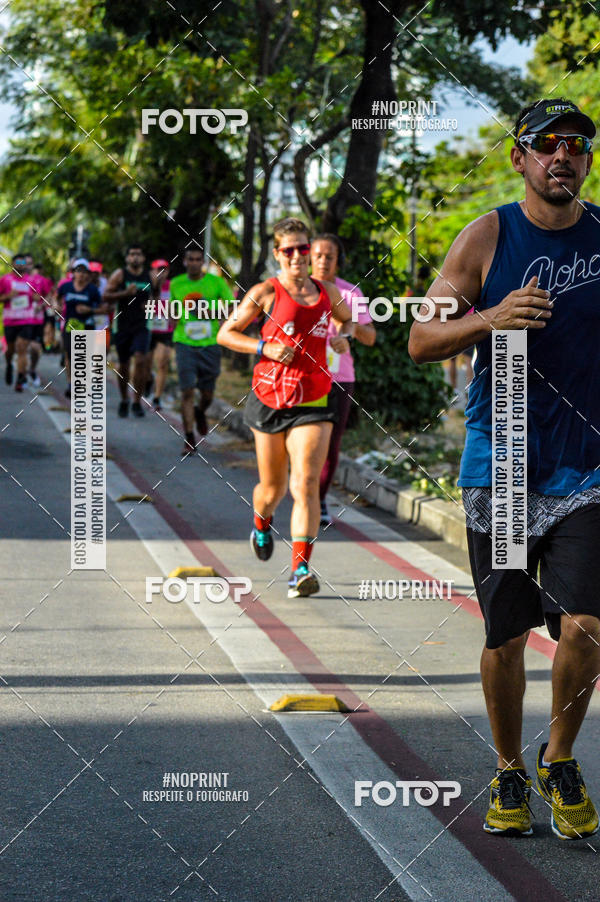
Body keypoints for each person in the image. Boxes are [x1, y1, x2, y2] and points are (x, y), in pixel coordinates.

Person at [408, 97, 600, 841]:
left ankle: (559, 757)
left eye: (577, 145)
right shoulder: (487, 236)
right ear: (518, 156)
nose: (563, 156)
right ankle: (510, 767)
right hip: (505, 464)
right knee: (507, 636)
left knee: (585, 627)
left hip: (587, 469)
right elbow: (423, 339)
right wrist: (487, 318)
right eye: (546, 144)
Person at [217, 217, 354, 598]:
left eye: (303, 248)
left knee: (305, 483)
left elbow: (348, 322)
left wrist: (344, 338)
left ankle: (300, 570)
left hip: (314, 398)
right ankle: (261, 523)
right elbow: (225, 333)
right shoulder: (265, 291)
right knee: (272, 488)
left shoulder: (327, 291)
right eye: (289, 250)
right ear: (278, 254)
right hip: (270, 399)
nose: (297, 256)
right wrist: (264, 348)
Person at [310, 234, 376, 526]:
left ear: (338, 261)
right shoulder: (297, 291)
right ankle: (303, 491)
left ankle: (319, 499)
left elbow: (370, 336)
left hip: (339, 377)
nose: (323, 261)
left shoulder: (351, 294)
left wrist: (348, 331)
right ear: (309, 258)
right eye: (318, 255)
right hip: (303, 377)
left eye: (330, 256)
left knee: (331, 443)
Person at [170, 246, 234, 453]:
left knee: (207, 394)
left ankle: (200, 411)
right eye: (191, 259)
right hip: (184, 342)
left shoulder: (216, 283)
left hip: (210, 344)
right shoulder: (177, 284)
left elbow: (231, 305)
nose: (195, 263)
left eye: (199, 259)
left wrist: (216, 314)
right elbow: (172, 310)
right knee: (187, 391)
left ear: (203, 262)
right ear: (185, 261)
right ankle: (189, 439)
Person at [104, 244, 159, 417]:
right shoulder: (120, 274)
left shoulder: (150, 275)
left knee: (141, 360)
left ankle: (136, 401)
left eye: (138, 254)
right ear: (127, 258)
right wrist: (125, 293)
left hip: (142, 325)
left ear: (143, 258)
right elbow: (105, 296)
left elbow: (156, 295)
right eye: (132, 254)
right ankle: (124, 399)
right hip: (123, 325)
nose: (135, 257)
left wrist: (151, 305)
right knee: (124, 365)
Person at [57, 258, 105, 397]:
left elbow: (103, 308)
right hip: (70, 324)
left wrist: (89, 309)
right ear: (73, 273)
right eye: (79, 271)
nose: (82, 275)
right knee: (70, 355)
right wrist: (57, 305)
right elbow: (56, 298)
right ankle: (71, 383)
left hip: (88, 325)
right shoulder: (66, 286)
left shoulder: (93, 290)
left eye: (85, 272)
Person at [0, 254, 41, 392]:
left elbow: (37, 297)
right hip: (10, 320)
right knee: (10, 350)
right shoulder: (5, 280)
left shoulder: (31, 280)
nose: (21, 265)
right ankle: (9, 364)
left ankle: (20, 378)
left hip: (26, 319)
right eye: (18, 263)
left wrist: (32, 296)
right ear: (12, 264)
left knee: (21, 348)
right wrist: (8, 296)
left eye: (23, 263)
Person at [144, 258, 173, 410]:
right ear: (152, 272)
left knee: (162, 363)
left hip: (165, 330)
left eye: (164, 270)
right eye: (158, 270)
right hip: (148, 329)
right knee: (146, 364)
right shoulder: (146, 287)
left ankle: (157, 398)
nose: (161, 273)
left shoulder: (172, 287)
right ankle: (148, 380)